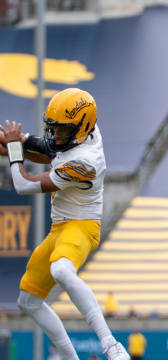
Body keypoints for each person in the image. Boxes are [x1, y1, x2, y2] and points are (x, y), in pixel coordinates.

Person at [0, 88, 130, 360]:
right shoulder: (84, 133)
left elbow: (23, 185)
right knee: (28, 301)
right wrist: (19, 142)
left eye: (62, 130)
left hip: (81, 226)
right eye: (54, 128)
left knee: (61, 270)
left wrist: (14, 149)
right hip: (60, 228)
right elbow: (51, 151)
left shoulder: (86, 161)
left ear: (80, 128)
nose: (55, 135)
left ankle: (111, 345)